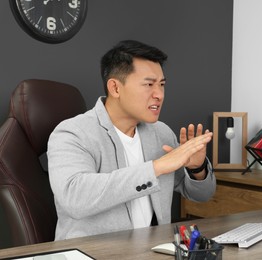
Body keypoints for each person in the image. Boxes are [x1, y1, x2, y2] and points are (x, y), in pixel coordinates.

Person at [47, 40, 216, 240]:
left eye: (162, 85)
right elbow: (74, 197)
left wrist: (197, 169)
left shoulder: (161, 133)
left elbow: (202, 195)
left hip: (152, 251)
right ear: (115, 88)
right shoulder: (72, 133)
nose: (159, 94)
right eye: (149, 84)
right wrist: (156, 168)